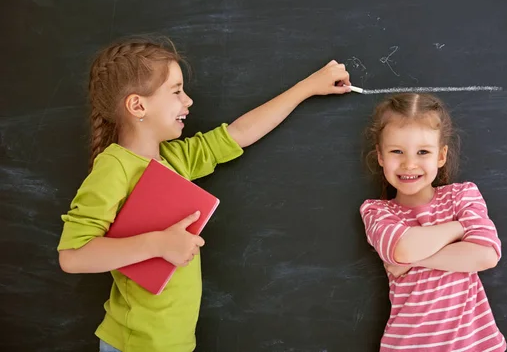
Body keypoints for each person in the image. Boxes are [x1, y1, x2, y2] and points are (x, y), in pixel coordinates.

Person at [57, 36, 354, 352]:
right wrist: (158, 244)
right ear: (137, 105)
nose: (188, 101)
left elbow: (239, 133)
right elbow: (73, 256)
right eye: (176, 91)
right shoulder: (115, 166)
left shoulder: (175, 159)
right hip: (135, 345)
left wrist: (309, 87)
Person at [359, 93, 506, 351]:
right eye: (396, 151)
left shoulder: (462, 195)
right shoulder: (377, 211)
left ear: (441, 156)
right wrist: (459, 228)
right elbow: (402, 249)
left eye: (423, 151)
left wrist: (414, 261)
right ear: (380, 156)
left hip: (474, 346)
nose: (409, 163)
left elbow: (486, 255)